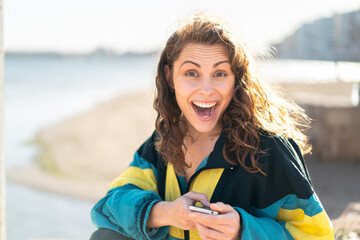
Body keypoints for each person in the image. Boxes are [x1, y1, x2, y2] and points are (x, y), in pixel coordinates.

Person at [90, 14, 334, 240]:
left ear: (236, 80)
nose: (206, 89)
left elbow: (318, 234)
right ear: (169, 76)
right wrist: (165, 212)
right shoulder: (163, 140)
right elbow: (108, 206)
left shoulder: (269, 149)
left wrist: (242, 229)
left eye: (219, 74)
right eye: (191, 73)